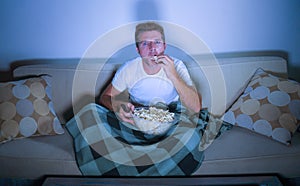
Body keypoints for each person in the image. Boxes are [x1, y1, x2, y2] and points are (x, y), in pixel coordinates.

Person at [99, 21, 202, 125]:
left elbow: (196, 107)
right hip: (139, 115)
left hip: (171, 115)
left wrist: (173, 75)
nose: (152, 48)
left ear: (164, 46)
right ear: (138, 50)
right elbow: (105, 97)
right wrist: (117, 106)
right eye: (145, 43)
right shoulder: (129, 68)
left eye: (157, 42)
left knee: (189, 131)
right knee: (91, 111)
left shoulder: (177, 65)